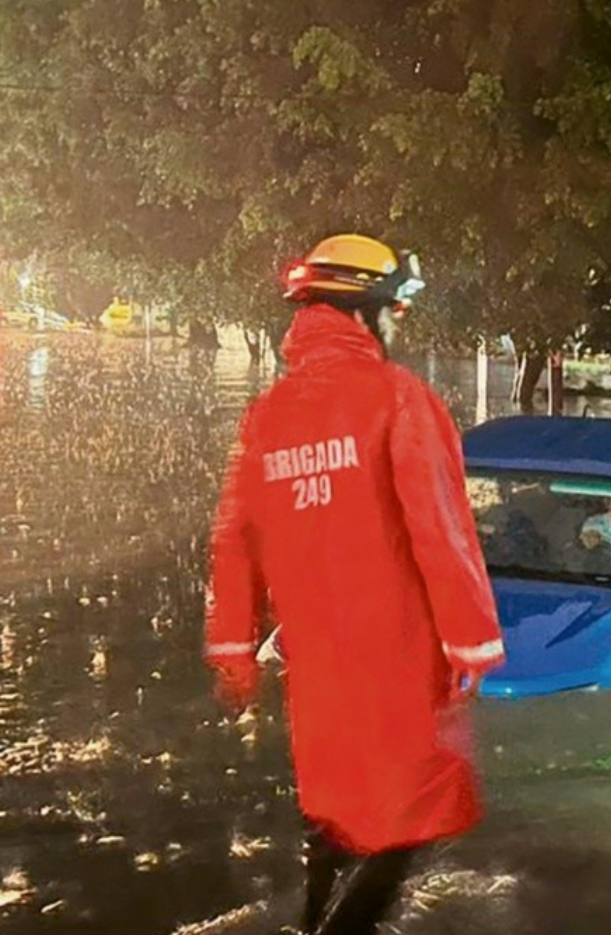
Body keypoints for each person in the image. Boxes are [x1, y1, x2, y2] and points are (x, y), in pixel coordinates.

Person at [206, 234, 505, 935]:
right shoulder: (400, 400)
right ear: (366, 311)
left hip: (313, 667)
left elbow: (234, 542)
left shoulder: (267, 417)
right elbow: (441, 527)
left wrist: (234, 653)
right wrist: (474, 644)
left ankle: (315, 917)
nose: (396, 326)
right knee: (419, 810)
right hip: (397, 658)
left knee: (336, 809)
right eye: (394, 310)